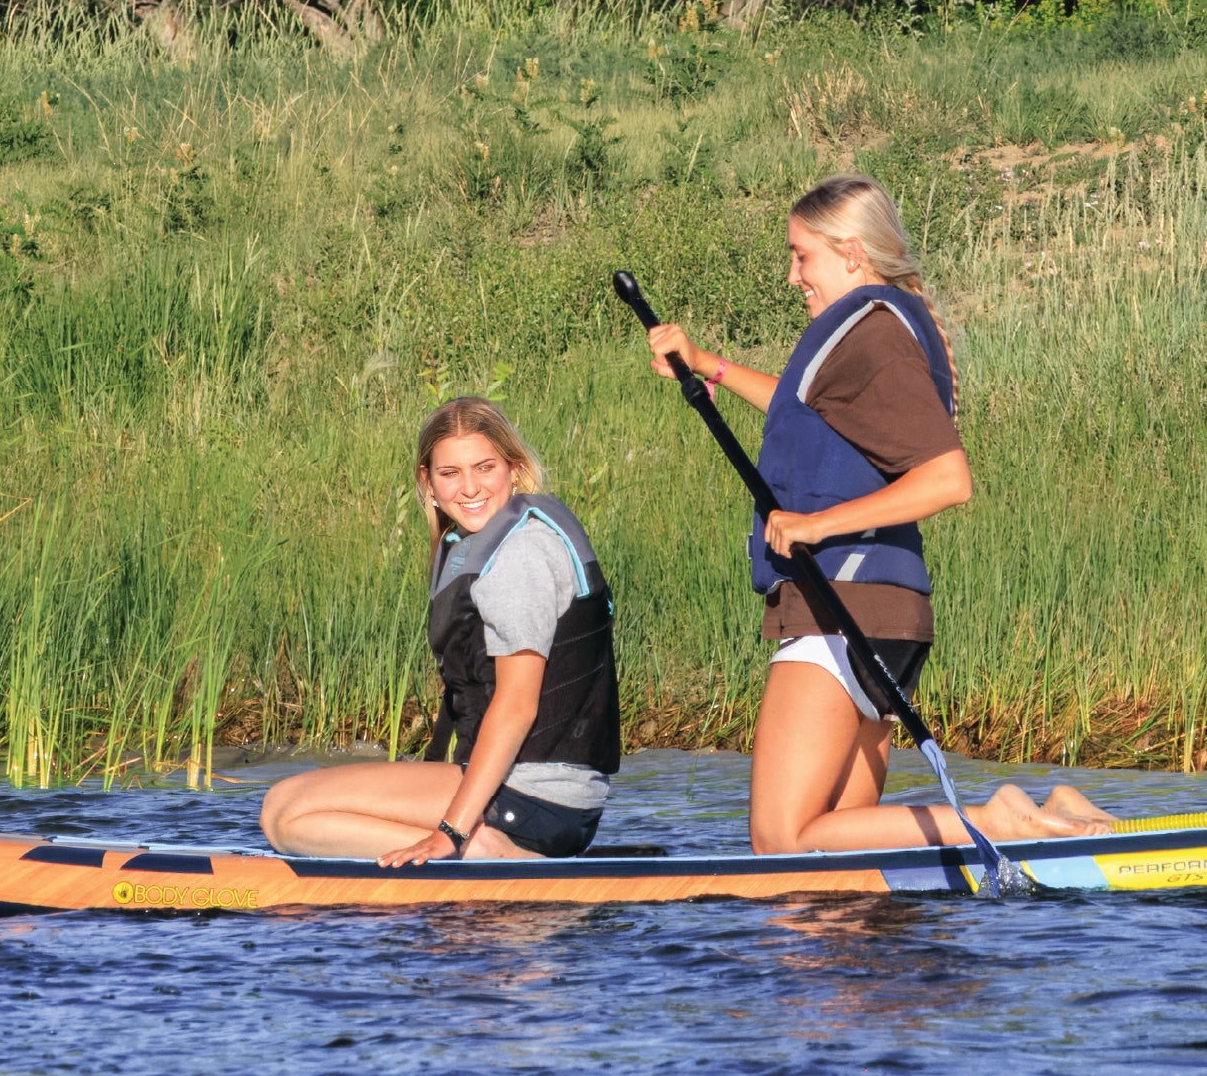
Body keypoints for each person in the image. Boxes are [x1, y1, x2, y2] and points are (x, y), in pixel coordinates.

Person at [644, 172, 1113, 854]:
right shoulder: (872, 329)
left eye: (802, 255)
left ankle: (999, 817)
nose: (791, 274)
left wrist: (815, 526)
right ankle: (1055, 809)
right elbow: (805, 409)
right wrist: (707, 366)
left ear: (852, 254)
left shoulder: (871, 331)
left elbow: (948, 478)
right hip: (882, 610)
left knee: (781, 839)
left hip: (842, 605)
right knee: (835, 857)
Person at [259, 398, 621, 865]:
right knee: (284, 808)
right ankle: (468, 852)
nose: (469, 487)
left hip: (535, 799)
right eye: (450, 473)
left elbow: (516, 704)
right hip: (524, 789)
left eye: (485, 467)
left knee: (287, 815)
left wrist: (451, 830)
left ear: (514, 469)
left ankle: (485, 850)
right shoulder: (477, 548)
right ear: (427, 481)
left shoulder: (520, 555)